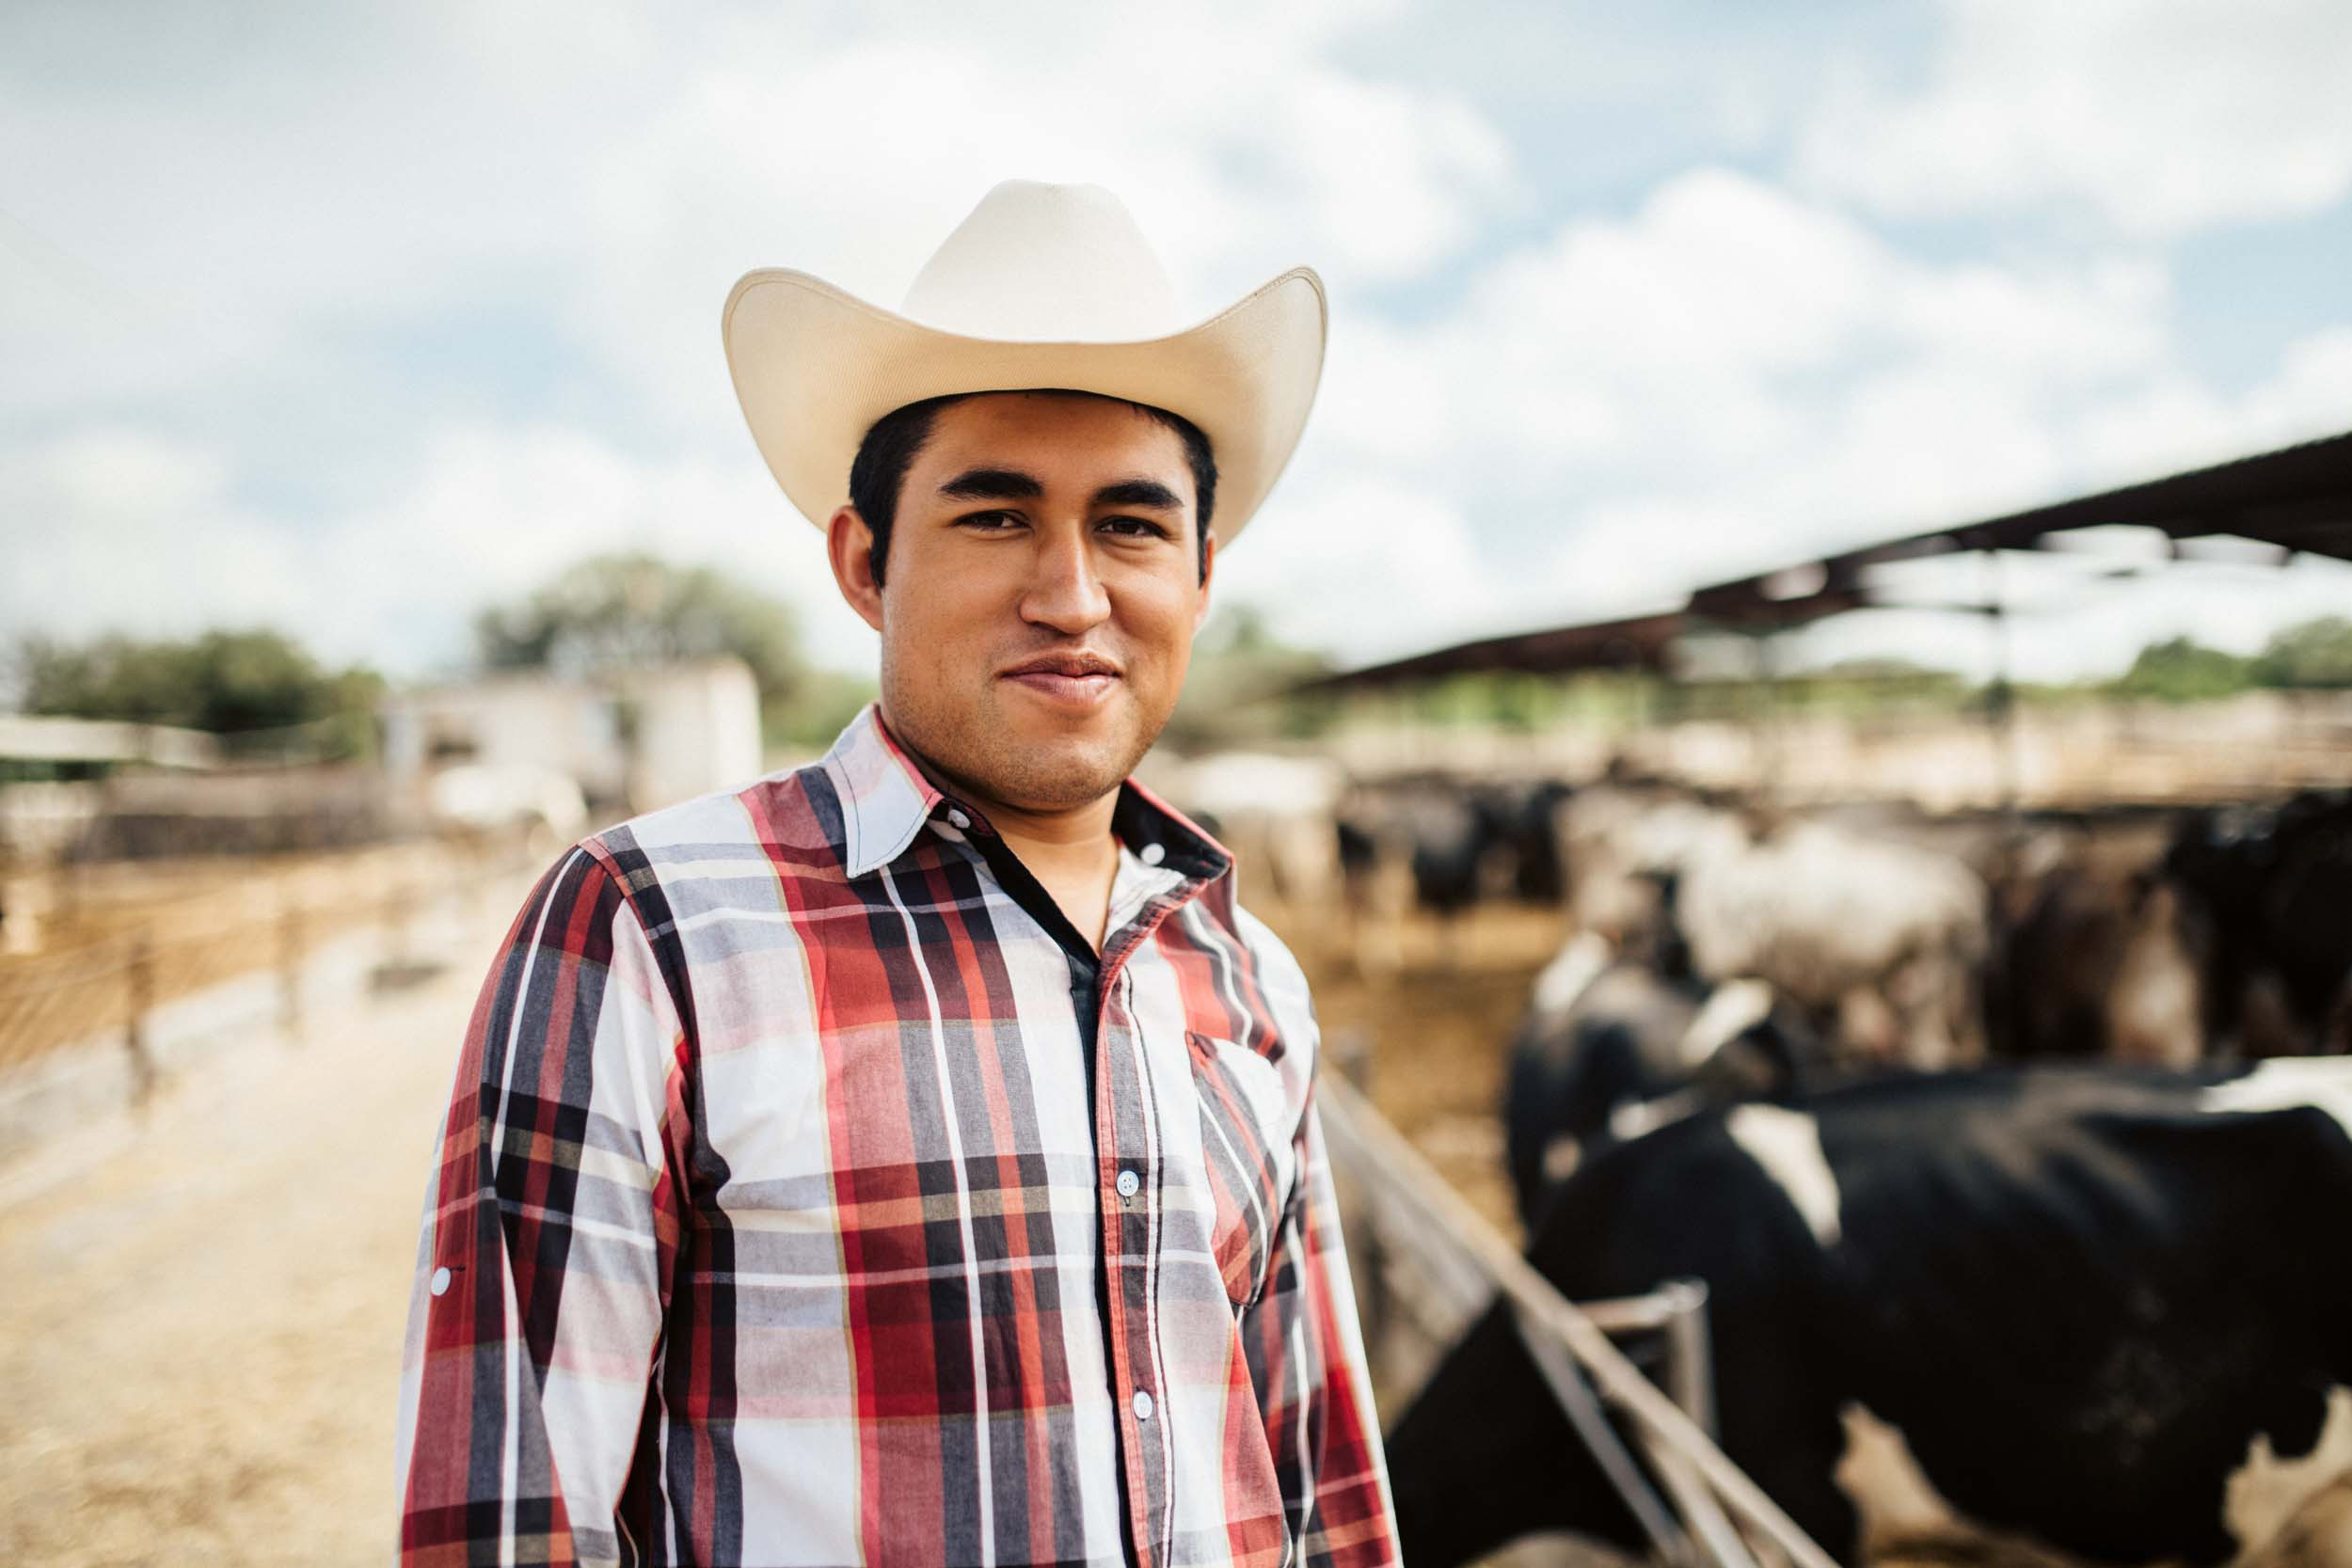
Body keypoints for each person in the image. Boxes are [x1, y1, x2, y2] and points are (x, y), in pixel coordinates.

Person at [394, 180, 1399, 1568]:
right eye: (995, 519)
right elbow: (509, 1517)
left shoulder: (1242, 971)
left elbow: (1318, 1478)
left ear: (1203, 575)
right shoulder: (649, 930)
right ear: (865, 562)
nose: (1073, 594)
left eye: (1132, 525)